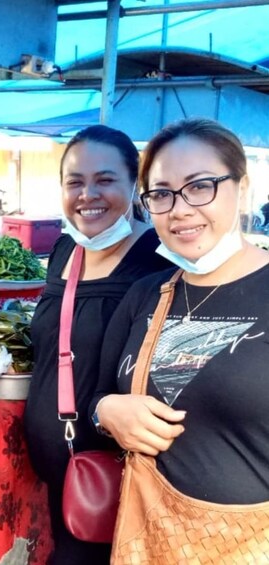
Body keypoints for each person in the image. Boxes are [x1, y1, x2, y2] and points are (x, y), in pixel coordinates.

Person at [92, 119, 269, 556]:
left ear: (242, 190)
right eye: (162, 193)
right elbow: (95, 395)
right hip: (151, 538)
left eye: (200, 186)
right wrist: (105, 411)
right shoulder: (145, 295)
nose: (180, 209)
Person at [23, 125, 173, 564]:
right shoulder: (64, 250)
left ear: (134, 185)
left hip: (116, 476)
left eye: (105, 180)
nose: (88, 194)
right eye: (75, 182)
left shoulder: (158, 259)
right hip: (59, 471)